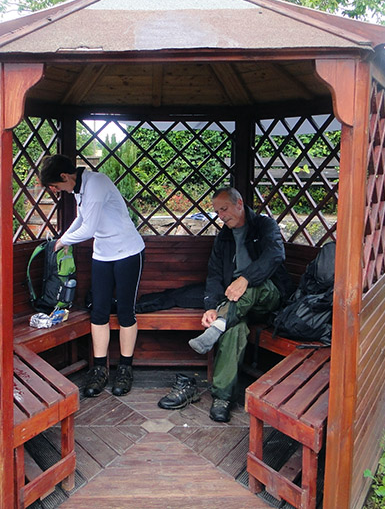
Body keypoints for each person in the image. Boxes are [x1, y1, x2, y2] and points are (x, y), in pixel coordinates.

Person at [157, 187, 291, 422]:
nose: (221, 215)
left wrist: (246, 278)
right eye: (217, 211)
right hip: (236, 304)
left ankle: (220, 322)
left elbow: (275, 255)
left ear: (239, 203)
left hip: (268, 298)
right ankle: (222, 398)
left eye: (224, 209)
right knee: (234, 330)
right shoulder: (224, 237)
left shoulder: (263, 226)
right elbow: (214, 275)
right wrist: (210, 306)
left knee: (254, 288)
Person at [40, 154, 145, 397]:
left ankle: (125, 369)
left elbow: (88, 229)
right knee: (98, 312)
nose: (55, 191)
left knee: (126, 312)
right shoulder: (80, 189)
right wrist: (62, 239)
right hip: (103, 254)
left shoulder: (96, 183)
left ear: (65, 177)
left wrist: (64, 241)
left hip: (128, 252)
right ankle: (100, 369)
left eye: (54, 186)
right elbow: (82, 219)